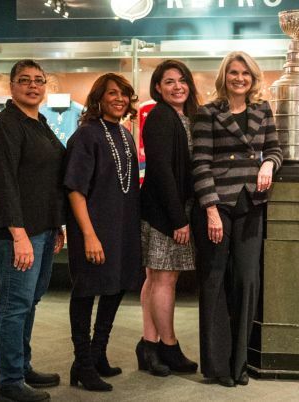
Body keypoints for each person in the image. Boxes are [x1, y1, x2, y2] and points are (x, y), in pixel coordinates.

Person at [192, 51, 283, 387]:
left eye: (245, 73)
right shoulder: (207, 113)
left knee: (247, 281)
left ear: (253, 77)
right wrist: (211, 210)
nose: (240, 78)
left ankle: (239, 364)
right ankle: (216, 366)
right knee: (214, 284)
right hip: (218, 207)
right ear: (224, 76)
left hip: (251, 204)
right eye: (233, 72)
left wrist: (268, 164)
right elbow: (200, 163)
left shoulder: (262, 110)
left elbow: (275, 149)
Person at [0, 59, 65, 402]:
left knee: (29, 301)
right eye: (24, 80)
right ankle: (10, 382)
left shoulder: (39, 123)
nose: (33, 86)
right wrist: (19, 235)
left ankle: (22, 366)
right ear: (12, 86)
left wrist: (56, 223)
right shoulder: (5, 126)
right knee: (15, 304)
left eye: (38, 80)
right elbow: (4, 184)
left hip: (42, 229)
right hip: (16, 232)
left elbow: (45, 180)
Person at [63, 73, 142, 391]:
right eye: (112, 93)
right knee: (86, 291)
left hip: (121, 228)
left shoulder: (125, 134)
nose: (120, 99)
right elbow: (74, 189)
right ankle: (82, 364)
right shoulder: (86, 135)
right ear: (99, 98)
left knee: (116, 286)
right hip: (93, 228)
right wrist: (90, 235)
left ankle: (97, 355)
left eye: (124, 94)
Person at [136, 60, 200, 376]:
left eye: (182, 80)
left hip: (165, 209)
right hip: (165, 213)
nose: (177, 86)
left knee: (155, 277)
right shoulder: (161, 116)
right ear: (158, 88)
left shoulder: (182, 116)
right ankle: (169, 346)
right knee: (165, 278)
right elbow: (160, 170)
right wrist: (178, 219)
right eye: (169, 81)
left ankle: (149, 345)